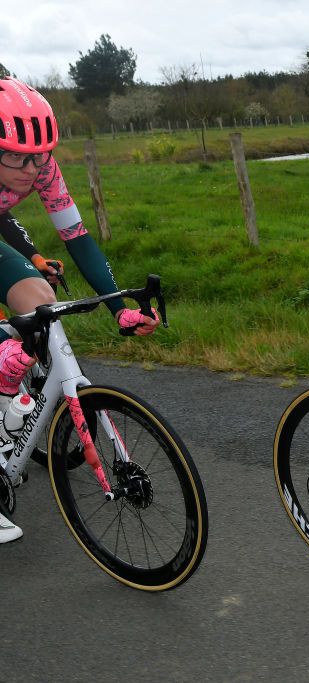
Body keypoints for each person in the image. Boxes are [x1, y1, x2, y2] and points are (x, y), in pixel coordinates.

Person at [0, 77, 159, 543]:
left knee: (39, 304)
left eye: (39, 155)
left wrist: (119, 309)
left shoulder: (44, 169)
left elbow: (79, 240)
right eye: (16, 156)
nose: (31, 169)